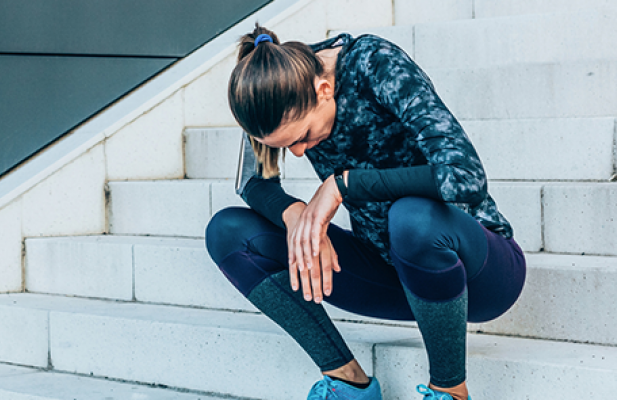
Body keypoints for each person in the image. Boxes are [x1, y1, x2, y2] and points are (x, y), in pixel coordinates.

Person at [204, 24, 526, 400]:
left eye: (303, 136)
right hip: (392, 275)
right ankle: (348, 383)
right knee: (228, 231)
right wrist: (297, 219)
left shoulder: (372, 63)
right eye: (284, 145)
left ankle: (450, 391)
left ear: (323, 90)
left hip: (478, 272)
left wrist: (343, 185)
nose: (298, 152)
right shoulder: (274, 82)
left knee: (410, 218)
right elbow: (252, 183)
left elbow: (464, 176)